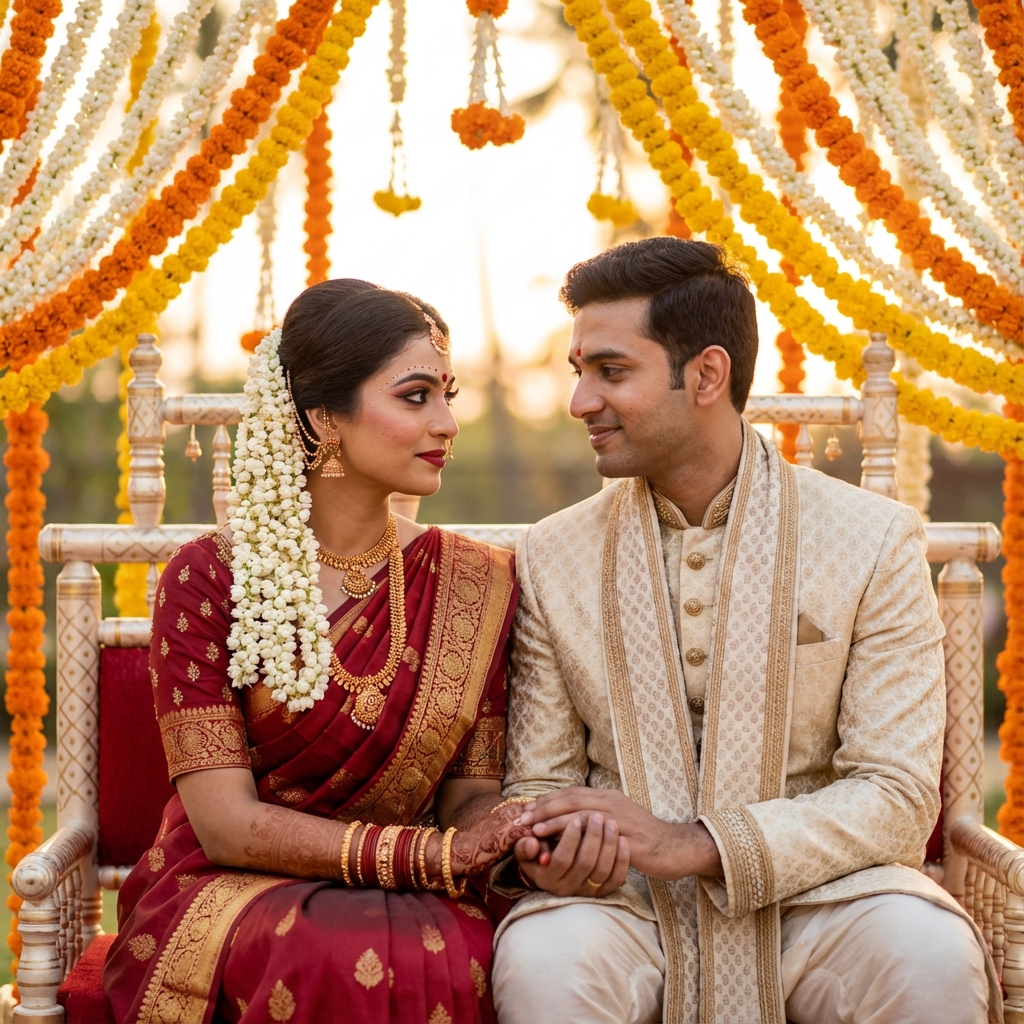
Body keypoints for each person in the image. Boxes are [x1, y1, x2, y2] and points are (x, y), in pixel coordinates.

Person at [489, 238, 998, 1024]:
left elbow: (896, 796)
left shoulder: (869, 539)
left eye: (611, 371)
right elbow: (537, 786)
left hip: (827, 896)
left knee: (926, 952)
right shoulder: (553, 554)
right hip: (625, 904)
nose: (581, 401)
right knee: (545, 959)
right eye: (579, 371)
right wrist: (552, 849)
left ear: (706, 375)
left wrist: (694, 844)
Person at [103, 280, 529, 1023]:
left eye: (448, 395)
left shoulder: (471, 583)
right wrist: (427, 857)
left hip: (416, 890)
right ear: (324, 417)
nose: (448, 423)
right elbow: (225, 824)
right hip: (232, 884)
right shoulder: (210, 579)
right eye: (416, 396)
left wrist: (509, 828)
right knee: (327, 952)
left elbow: (468, 799)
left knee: (451, 956)